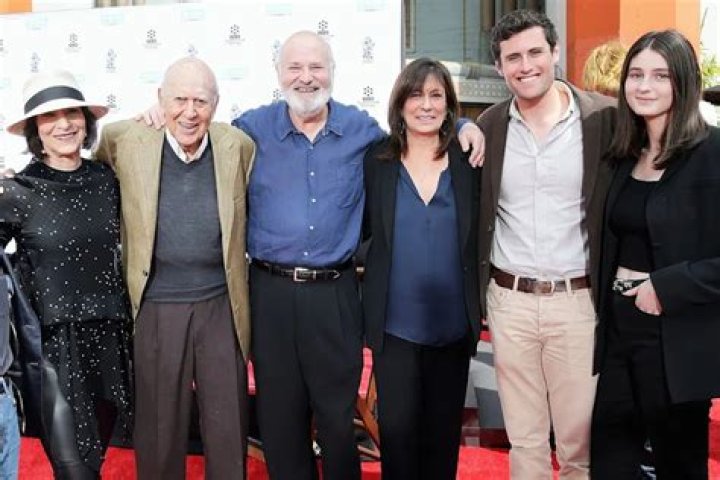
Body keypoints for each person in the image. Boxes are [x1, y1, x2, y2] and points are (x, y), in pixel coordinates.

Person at [95, 57, 255, 479]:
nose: (190, 112)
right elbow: (96, 178)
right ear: (160, 100)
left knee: (228, 427)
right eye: (179, 99)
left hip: (221, 304)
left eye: (200, 101)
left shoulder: (238, 146)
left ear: (216, 104)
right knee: (159, 432)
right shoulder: (124, 139)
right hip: (156, 305)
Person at [475, 10, 616, 479]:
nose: (526, 65)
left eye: (535, 52)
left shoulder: (602, 119)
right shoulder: (489, 126)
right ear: (499, 67)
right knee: (526, 441)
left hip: (576, 302)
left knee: (578, 446)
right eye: (513, 57)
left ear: (555, 53)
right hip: (510, 301)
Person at [591, 29, 720, 480]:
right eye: (636, 74)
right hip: (618, 332)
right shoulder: (625, 153)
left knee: (678, 465)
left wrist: (667, 286)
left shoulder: (713, 153)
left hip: (676, 338)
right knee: (609, 464)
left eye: (660, 76)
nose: (644, 86)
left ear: (684, 82)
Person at [0, 70, 133, 479]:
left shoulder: (106, 180)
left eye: (72, 113)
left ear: (86, 121)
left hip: (109, 339)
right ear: (35, 130)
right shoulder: (17, 191)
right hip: (52, 351)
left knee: (95, 462)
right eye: (49, 117)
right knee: (73, 467)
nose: (63, 124)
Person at [362, 58, 481, 479]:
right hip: (395, 331)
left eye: (436, 95)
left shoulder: (469, 161)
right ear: (400, 103)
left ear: (449, 105)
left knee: (442, 444)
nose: (426, 105)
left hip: (453, 330)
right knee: (398, 444)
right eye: (416, 95)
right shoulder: (377, 161)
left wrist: (467, 127)